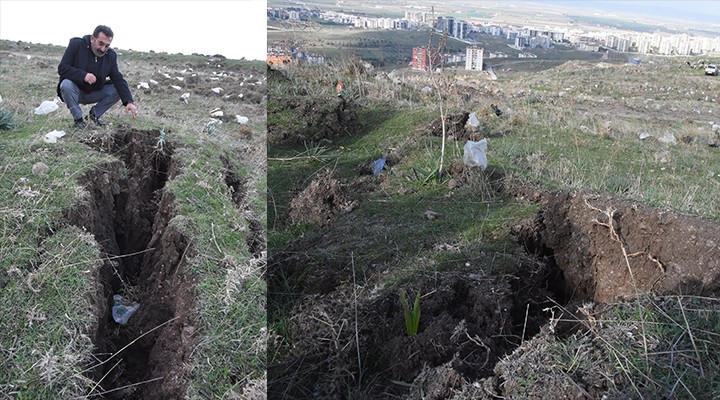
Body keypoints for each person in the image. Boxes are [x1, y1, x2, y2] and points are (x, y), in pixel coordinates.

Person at [57, 25, 137, 128]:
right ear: (92, 39)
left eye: (107, 46)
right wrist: (83, 75)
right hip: (75, 92)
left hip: (94, 92)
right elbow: (62, 68)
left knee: (117, 90)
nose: (103, 49)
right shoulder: (76, 45)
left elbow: (118, 79)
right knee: (65, 84)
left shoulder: (110, 56)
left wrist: (129, 102)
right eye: (101, 43)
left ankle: (93, 116)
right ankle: (79, 120)